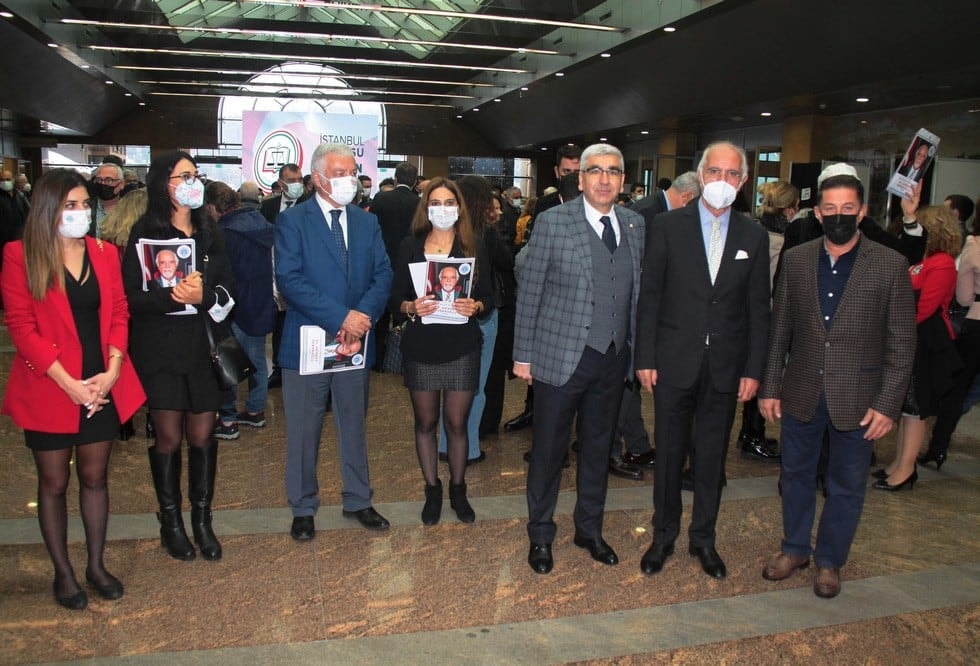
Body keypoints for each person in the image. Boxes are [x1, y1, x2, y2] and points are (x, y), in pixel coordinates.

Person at [759, 168, 915, 598]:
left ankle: (829, 561)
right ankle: (794, 548)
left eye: (848, 208)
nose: (839, 216)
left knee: (846, 485)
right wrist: (770, 387)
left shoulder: (889, 265)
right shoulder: (797, 258)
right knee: (794, 475)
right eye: (831, 209)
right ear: (817, 212)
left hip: (860, 400)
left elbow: (902, 343)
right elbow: (780, 330)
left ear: (862, 212)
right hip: (802, 390)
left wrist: (887, 405)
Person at [1, 169, 145, 609]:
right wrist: (67, 383)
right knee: (54, 481)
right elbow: (22, 328)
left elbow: (119, 311)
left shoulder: (104, 252)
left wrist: (114, 369)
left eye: (85, 205)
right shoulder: (19, 254)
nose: (81, 213)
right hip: (50, 386)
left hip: (100, 383)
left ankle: (96, 565)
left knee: (95, 478)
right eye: (71, 206)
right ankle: (63, 573)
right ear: (49, 209)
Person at [635, 141, 770, 580]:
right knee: (670, 453)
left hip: (727, 367)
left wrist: (754, 369)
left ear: (744, 182)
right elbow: (650, 296)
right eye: (715, 172)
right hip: (674, 360)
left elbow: (757, 310)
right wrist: (645, 356)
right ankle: (662, 535)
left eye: (732, 175)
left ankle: (704, 539)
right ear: (700, 174)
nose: (723, 182)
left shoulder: (754, 235)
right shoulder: (667, 226)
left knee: (712, 458)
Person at [514, 143, 644, 574]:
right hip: (560, 356)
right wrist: (522, 356)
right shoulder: (552, 222)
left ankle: (589, 529)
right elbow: (529, 290)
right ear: (581, 178)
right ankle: (541, 534)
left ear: (623, 181)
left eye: (613, 171)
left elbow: (637, 295)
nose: (604, 179)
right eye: (595, 171)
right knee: (549, 450)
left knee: (598, 447)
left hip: (613, 358)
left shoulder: (635, 224)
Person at [275, 143, 393, 539]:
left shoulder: (366, 221)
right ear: (318, 179)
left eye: (351, 171)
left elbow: (383, 274)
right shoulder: (294, 222)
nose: (347, 179)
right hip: (308, 341)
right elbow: (290, 281)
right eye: (339, 172)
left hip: (355, 343)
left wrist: (360, 319)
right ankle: (303, 506)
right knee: (304, 429)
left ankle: (359, 499)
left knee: (354, 424)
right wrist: (341, 317)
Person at [123, 151, 236, 562]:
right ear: (163, 184)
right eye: (182, 175)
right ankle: (170, 521)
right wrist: (170, 296)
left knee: (202, 435)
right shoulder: (143, 233)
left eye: (195, 175)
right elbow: (132, 298)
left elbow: (228, 294)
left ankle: (202, 519)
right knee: (168, 437)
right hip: (160, 348)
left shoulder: (210, 234)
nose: (191, 182)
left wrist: (205, 297)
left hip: (203, 348)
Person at [390, 177, 492, 524]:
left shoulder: (473, 245)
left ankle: (459, 490)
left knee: (456, 423)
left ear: (459, 207)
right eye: (436, 202)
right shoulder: (410, 246)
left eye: (450, 202)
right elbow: (394, 300)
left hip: (462, 346)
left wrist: (475, 306)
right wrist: (410, 307)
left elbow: (490, 298)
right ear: (426, 207)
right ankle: (432, 489)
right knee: (426, 421)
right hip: (422, 345)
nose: (443, 209)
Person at [609, 171, 701, 480]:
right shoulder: (647, 214)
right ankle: (612, 448)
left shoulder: (653, 209)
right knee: (624, 384)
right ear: (688, 198)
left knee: (632, 386)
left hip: (645, 313)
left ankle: (637, 444)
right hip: (631, 313)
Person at [874, 205, 961, 491]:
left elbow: (925, 308)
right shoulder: (924, 260)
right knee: (905, 408)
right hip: (911, 337)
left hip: (925, 341)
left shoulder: (943, 263)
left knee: (915, 409)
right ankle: (899, 463)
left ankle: (906, 468)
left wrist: (893, 329)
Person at [205, 181, 276, 441]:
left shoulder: (223, 232)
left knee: (227, 361)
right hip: (260, 302)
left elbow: (222, 274)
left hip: (232, 306)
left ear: (212, 207)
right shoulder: (263, 224)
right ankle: (256, 410)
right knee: (257, 360)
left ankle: (228, 419)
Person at [735, 180, 800, 463]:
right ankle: (753, 435)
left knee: (755, 375)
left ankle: (749, 434)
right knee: (761, 377)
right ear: (789, 209)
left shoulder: (754, 232)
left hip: (749, 316)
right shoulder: (782, 241)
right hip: (769, 317)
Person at [924, 207, 980, 466]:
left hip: (976, 323)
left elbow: (964, 296)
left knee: (957, 389)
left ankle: (938, 447)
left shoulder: (974, 246)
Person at [371, 161, 421, 369]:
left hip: (383, 260)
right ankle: (401, 359)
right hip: (410, 262)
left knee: (381, 312)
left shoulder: (381, 198)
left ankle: (378, 359)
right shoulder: (419, 203)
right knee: (406, 311)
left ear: (395, 178)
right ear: (415, 181)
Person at [91, 162, 127, 239]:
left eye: (109, 180)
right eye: (99, 180)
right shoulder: (87, 209)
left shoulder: (130, 210)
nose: (103, 184)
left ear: (121, 184)